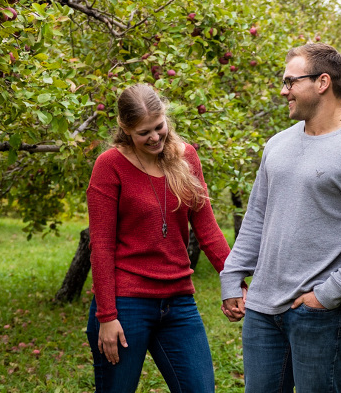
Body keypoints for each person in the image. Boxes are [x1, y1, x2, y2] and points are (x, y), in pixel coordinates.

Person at [220, 43, 341, 392]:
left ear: (322, 82)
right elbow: (257, 217)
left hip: (321, 314)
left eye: (291, 81)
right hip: (261, 310)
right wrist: (232, 276)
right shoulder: (277, 145)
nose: (283, 90)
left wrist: (330, 294)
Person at [85, 83, 231, 393]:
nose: (154, 137)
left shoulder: (186, 157)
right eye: (143, 132)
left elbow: (207, 228)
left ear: (165, 117)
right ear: (125, 128)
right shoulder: (109, 165)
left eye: (159, 127)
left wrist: (234, 279)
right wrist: (107, 316)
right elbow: (101, 246)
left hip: (178, 300)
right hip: (126, 303)